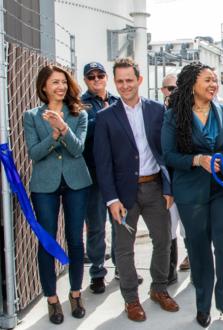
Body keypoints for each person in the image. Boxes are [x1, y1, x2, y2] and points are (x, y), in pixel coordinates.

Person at [94, 58, 179, 322]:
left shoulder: (157, 110)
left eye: (129, 80)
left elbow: (166, 151)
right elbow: (103, 162)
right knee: (124, 248)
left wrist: (168, 187)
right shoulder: (105, 117)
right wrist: (111, 199)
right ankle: (131, 299)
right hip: (123, 194)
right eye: (119, 81)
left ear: (139, 80)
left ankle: (159, 289)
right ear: (114, 82)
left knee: (163, 240)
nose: (125, 85)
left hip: (154, 187)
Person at [162, 62, 223, 328]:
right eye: (208, 80)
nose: (214, 84)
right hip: (191, 193)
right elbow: (169, 155)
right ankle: (203, 305)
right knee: (198, 251)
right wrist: (198, 159)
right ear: (191, 84)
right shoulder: (175, 115)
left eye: (216, 80)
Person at [24, 65, 91, 324]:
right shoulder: (31, 116)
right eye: (55, 82)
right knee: (47, 241)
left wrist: (63, 127)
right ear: (44, 87)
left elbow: (77, 150)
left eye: (63, 82)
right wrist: (54, 134)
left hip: (76, 182)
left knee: (75, 240)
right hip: (44, 186)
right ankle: (52, 299)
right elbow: (35, 153)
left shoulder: (78, 114)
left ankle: (75, 293)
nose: (61, 87)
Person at [80, 62, 121, 294]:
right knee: (96, 226)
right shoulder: (81, 105)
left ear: (107, 77)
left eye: (100, 75)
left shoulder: (117, 101)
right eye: (91, 76)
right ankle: (97, 272)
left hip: (116, 175)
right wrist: (105, 119)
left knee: (120, 224)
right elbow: (85, 133)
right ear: (86, 80)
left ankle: (121, 267)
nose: (96, 80)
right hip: (94, 175)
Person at [159, 72, 187, 282]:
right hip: (165, 180)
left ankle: (194, 259)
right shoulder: (156, 114)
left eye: (177, 88)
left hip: (186, 179)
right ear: (163, 91)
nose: (173, 92)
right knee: (168, 227)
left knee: (189, 227)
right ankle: (169, 272)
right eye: (169, 88)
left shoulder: (188, 114)